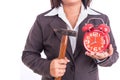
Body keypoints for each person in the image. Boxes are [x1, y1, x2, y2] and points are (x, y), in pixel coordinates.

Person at [22, 0, 119, 80]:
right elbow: (28, 55)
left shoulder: (100, 19)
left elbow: (114, 54)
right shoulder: (43, 20)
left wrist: (102, 57)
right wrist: (48, 67)